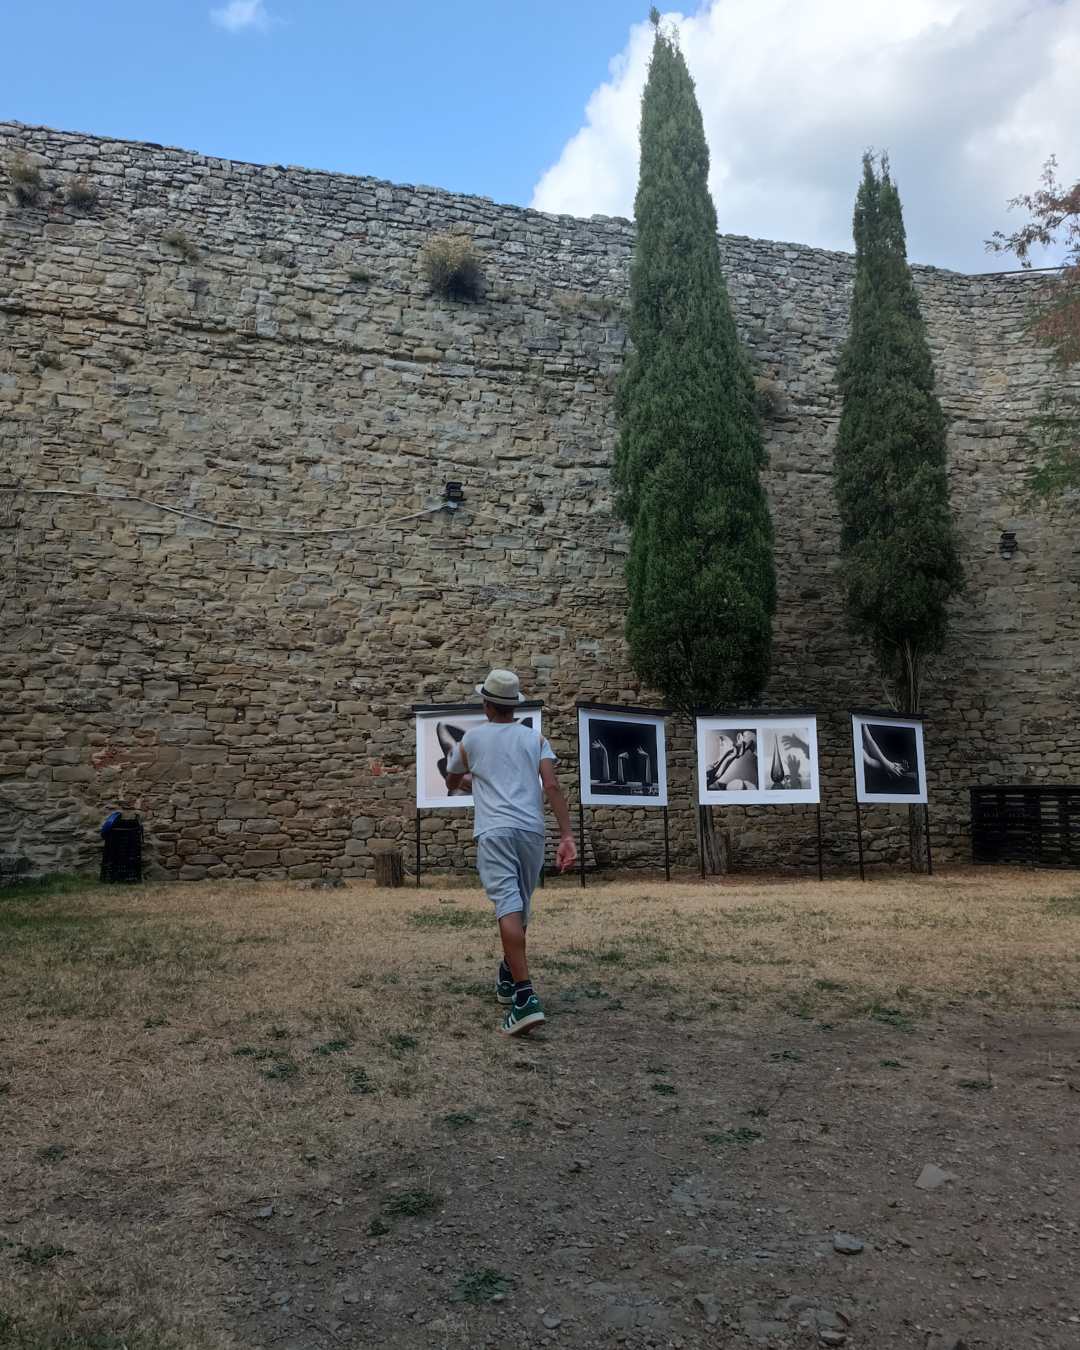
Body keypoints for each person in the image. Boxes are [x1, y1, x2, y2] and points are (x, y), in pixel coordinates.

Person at [445, 669, 577, 1036]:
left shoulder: (470, 740)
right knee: (520, 903)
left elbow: (452, 780)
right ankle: (508, 974)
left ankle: (524, 998)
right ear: (513, 705)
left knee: (507, 904)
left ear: (486, 705)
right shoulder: (534, 739)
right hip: (531, 831)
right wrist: (566, 835)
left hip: (495, 831)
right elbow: (550, 784)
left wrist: (472, 778)